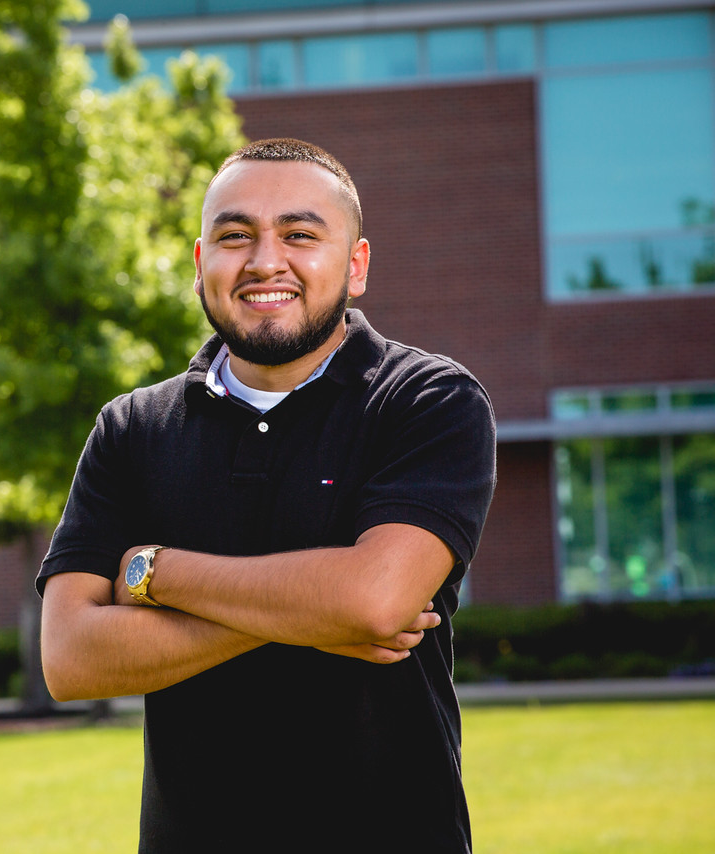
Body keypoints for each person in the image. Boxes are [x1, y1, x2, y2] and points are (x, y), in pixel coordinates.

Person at [37, 138, 496, 852]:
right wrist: (318, 609)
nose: (264, 261)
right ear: (200, 265)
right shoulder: (131, 428)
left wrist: (154, 573)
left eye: (300, 235)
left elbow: (373, 601)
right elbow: (70, 659)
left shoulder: (428, 401)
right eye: (235, 236)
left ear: (356, 265)